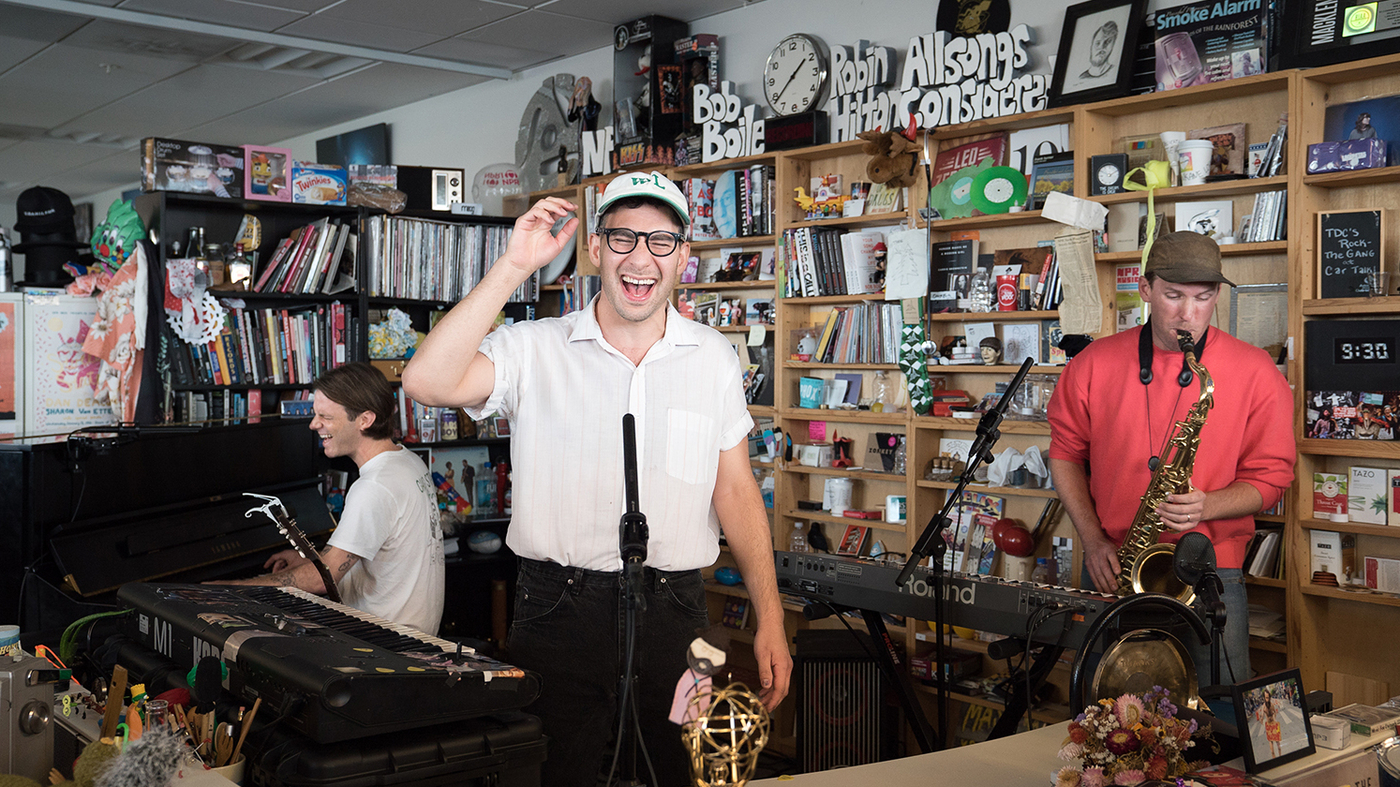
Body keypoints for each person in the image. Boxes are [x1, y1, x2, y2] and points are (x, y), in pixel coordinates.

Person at [401, 171, 792, 787]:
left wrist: (770, 616)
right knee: (556, 773)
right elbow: (426, 382)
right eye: (622, 238)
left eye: (660, 241)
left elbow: (736, 491)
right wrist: (513, 266)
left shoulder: (714, 355)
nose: (641, 259)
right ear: (596, 249)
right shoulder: (533, 348)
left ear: (684, 256)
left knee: (684, 771)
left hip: (678, 614)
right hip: (557, 611)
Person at [1048, 231, 1295, 684]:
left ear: (1217, 295)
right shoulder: (1092, 363)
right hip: (1115, 565)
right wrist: (1093, 539)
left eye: (1203, 298)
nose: (1188, 314)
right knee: (1105, 711)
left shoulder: (1256, 369)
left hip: (1211, 570)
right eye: (1173, 296)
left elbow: (1273, 478)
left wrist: (1209, 505)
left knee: (1223, 715)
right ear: (1146, 289)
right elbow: (1063, 455)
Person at [221, 363, 445, 635]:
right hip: (415, 633)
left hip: (387, 646)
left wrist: (230, 589)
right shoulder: (408, 462)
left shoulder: (374, 486)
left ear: (364, 420)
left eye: (325, 416)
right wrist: (305, 558)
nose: (314, 424)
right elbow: (359, 555)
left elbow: (320, 580)